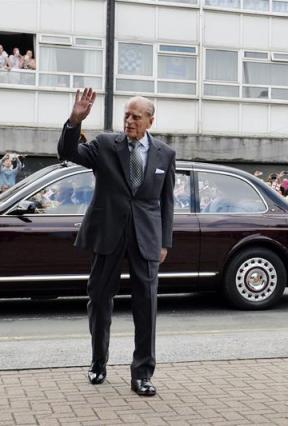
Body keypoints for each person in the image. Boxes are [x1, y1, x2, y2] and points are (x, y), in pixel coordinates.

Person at [57, 88, 175, 397]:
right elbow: (69, 153)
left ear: (150, 120)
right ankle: (98, 362)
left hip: (145, 238)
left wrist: (164, 241)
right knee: (99, 299)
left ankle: (143, 374)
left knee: (146, 305)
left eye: (137, 117)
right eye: (126, 115)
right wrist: (75, 120)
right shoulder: (106, 145)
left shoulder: (165, 154)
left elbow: (166, 201)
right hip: (108, 233)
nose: (130, 121)